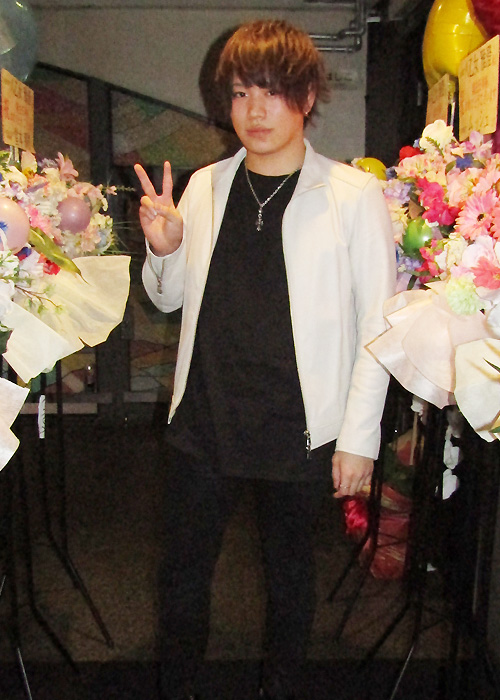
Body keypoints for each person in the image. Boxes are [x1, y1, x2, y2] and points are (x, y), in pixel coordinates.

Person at [135, 18, 396, 700]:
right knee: (182, 577)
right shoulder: (205, 186)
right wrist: (164, 250)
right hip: (205, 415)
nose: (255, 110)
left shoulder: (353, 196)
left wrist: (359, 438)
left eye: (273, 92)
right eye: (242, 92)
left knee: (290, 579)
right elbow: (168, 299)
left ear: (306, 98)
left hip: (298, 424)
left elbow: (379, 325)